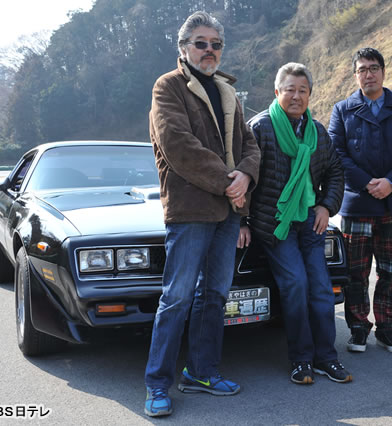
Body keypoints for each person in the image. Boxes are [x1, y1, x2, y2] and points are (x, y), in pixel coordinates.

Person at [144, 11, 260, 417]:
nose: (209, 50)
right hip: (191, 208)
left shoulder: (228, 92)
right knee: (176, 298)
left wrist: (246, 174)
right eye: (201, 43)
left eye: (216, 44)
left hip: (229, 210)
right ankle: (157, 383)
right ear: (183, 48)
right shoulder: (168, 87)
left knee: (215, 295)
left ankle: (201, 372)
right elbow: (178, 145)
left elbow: (250, 144)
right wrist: (229, 180)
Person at [239, 62, 351, 384]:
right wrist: (241, 221)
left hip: (309, 221)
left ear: (310, 94)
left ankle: (326, 357)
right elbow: (242, 175)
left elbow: (335, 172)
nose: (296, 96)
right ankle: (301, 359)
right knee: (296, 284)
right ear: (277, 92)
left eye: (303, 90)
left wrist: (326, 206)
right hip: (275, 226)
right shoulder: (260, 128)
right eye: (290, 90)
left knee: (321, 289)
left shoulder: (316, 131)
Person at [328, 47, 392, 353]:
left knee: (390, 272)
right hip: (358, 203)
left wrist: (391, 183)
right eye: (362, 70)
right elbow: (336, 153)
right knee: (356, 273)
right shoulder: (342, 110)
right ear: (355, 75)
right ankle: (358, 328)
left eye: (373, 68)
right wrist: (367, 183)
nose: (368, 74)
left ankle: (387, 329)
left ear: (383, 71)